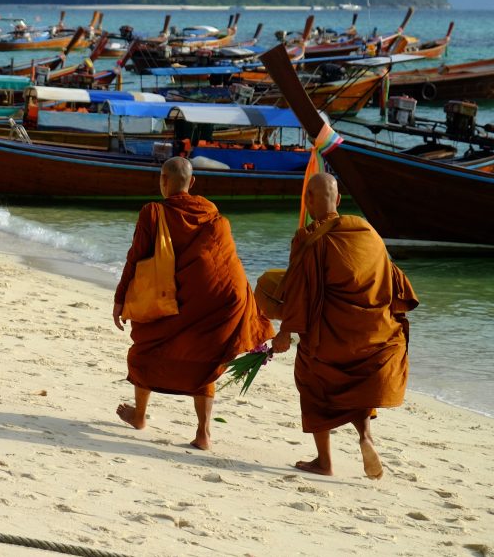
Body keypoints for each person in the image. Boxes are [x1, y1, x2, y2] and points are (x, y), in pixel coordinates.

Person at [113, 157, 273, 450]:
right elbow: (225, 262)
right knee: (205, 359)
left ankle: (139, 415)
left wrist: (120, 297)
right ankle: (203, 434)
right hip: (222, 298)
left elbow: (135, 258)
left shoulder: (153, 212)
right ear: (193, 182)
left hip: (183, 297)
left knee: (143, 352)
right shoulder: (212, 213)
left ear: (162, 181)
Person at [273, 173, 418, 479]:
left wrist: (285, 332)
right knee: (358, 389)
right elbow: (395, 283)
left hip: (327, 340)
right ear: (338, 200)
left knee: (312, 382)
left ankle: (324, 461)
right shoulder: (367, 233)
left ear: (309, 201)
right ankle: (365, 437)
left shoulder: (309, 238)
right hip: (370, 336)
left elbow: (299, 293)